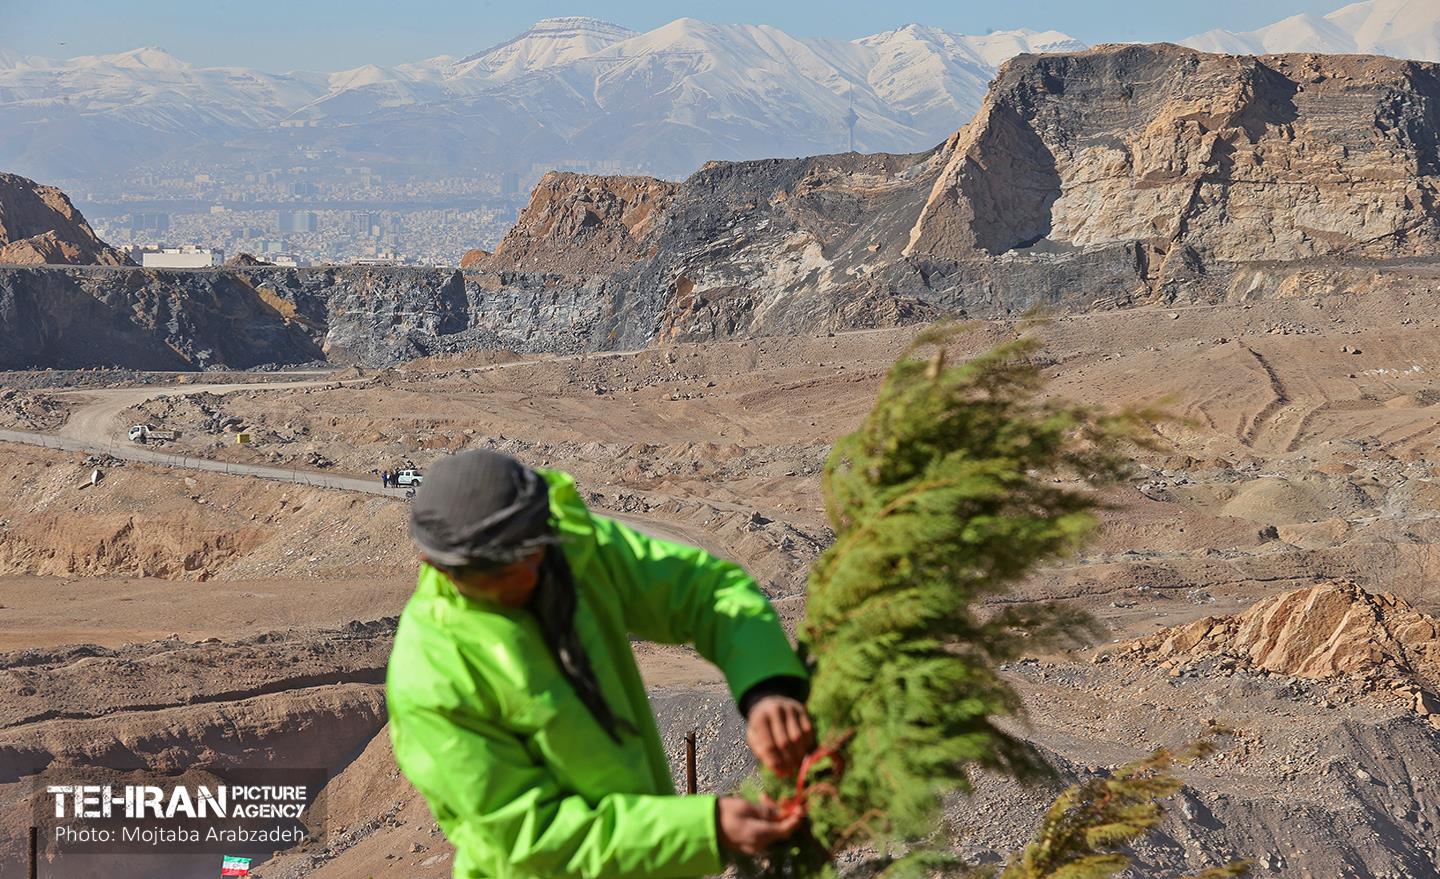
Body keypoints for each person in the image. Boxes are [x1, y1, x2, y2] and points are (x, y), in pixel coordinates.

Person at [387, 450, 814, 879]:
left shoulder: (569, 550)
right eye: (497, 573)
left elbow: (707, 592)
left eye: (530, 552)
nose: (528, 576)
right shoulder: (433, 675)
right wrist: (703, 831)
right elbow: (530, 839)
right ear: (437, 565)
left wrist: (766, 687)